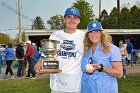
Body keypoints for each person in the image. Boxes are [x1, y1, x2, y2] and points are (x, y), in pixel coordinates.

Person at [35, 7, 85, 93]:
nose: (72, 20)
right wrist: (39, 64)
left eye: (75, 17)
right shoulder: (55, 35)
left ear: (79, 21)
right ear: (64, 20)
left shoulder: (84, 36)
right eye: (69, 17)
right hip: (57, 84)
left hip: (76, 85)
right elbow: (46, 53)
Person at [81, 21, 123, 93]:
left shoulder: (112, 49)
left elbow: (119, 73)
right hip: (87, 88)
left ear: (101, 34)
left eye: (96, 31)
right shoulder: (86, 49)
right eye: (91, 32)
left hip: (105, 89)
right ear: (87, 35)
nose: (93, 35)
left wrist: (101, 68)